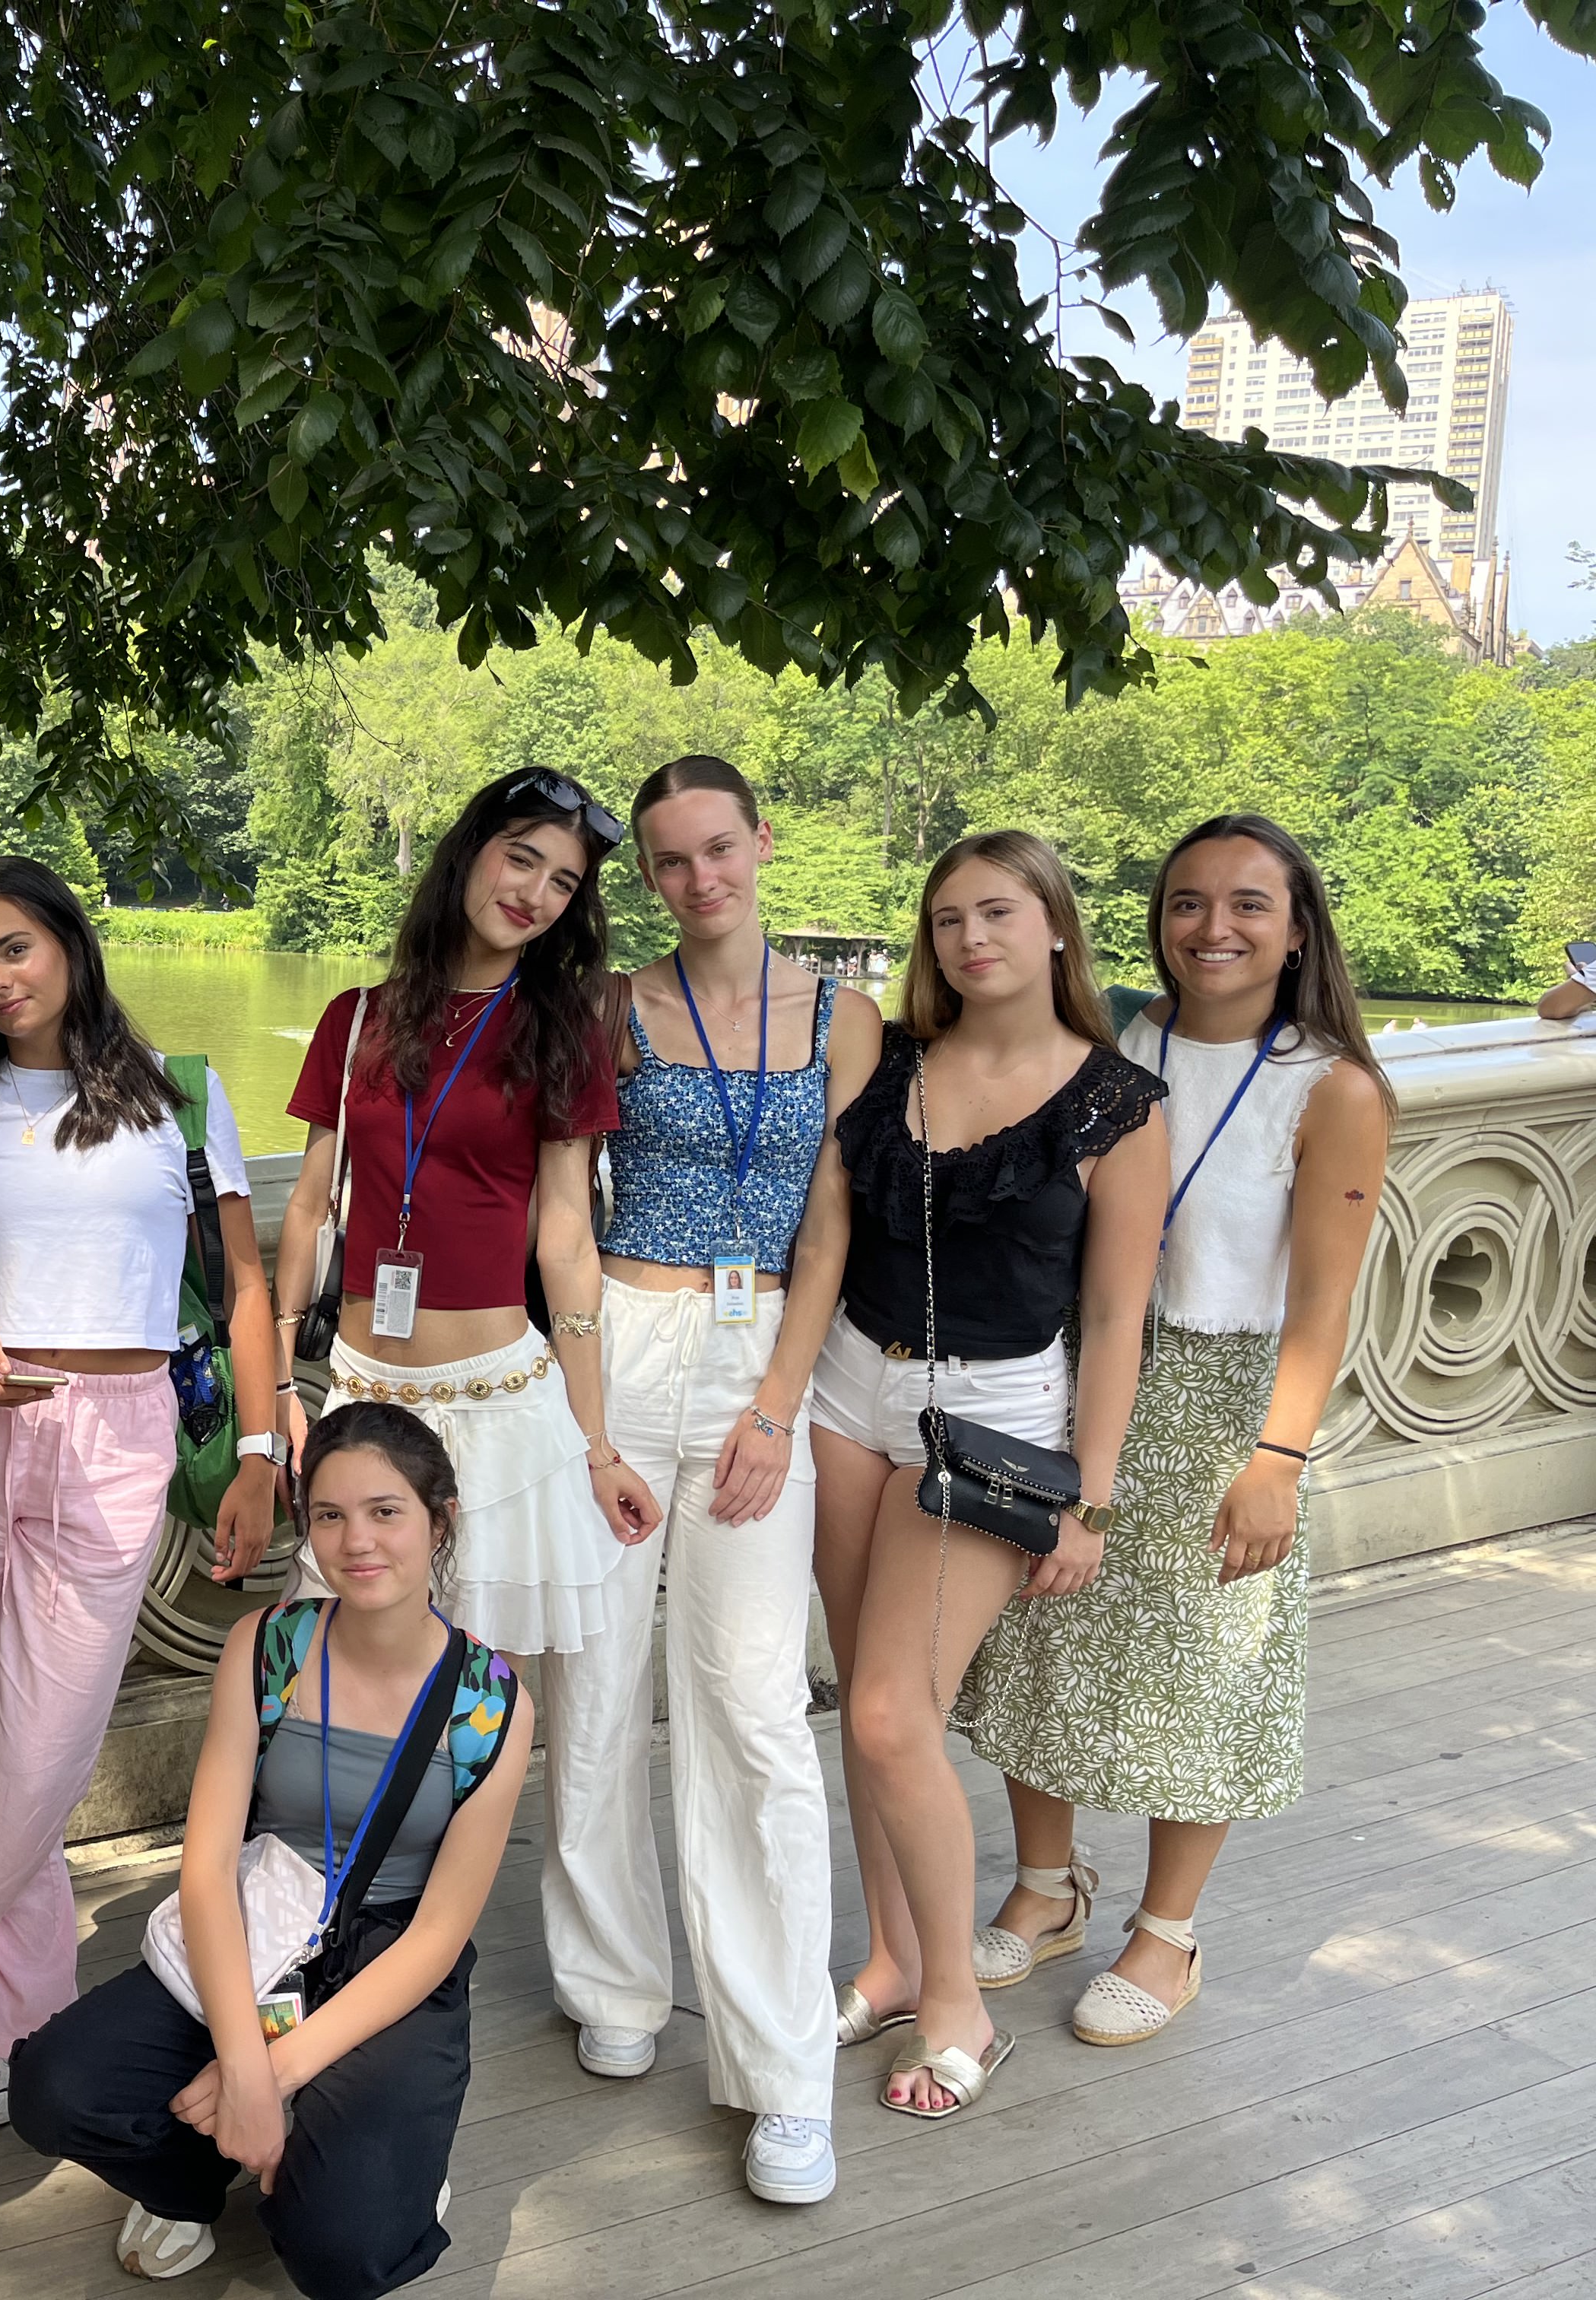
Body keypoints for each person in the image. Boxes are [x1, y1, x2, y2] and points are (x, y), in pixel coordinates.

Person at [0, 857, 287, 2130]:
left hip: (122, 1428)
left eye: (17, 946)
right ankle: (14, 2026)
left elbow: (244, 1288)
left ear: (71, 943)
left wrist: (259, 1449)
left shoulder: (183, 1098)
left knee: (43, 1742)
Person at [958, 816, 1391, 2046]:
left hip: (1221, 1397)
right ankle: (1046, 1885)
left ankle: (1168, 1924)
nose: (1213, 927)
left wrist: (1276, 1458)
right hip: (1083, 1364)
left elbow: (1321, 1301)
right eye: (1188, 900)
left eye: (1248, 904)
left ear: (1297, 926)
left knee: (1203, 1663)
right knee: (1038, 1626)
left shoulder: (1333, 1086)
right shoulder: (1117, 1040)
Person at [269, 765, 653, 2013]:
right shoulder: (358, 1018)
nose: (535, 891)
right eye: (519, 857)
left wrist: (593, 1437)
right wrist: (282, 1376)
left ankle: (452, 1972)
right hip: (368, 1394)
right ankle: (321, 1951)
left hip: (499, 1397)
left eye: (563, 879)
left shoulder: (562, 1030)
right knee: (342, 1694)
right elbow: (314, 1207)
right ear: (469, 852)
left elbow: (563, 1237)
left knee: (478, 1707)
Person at [549, 756, 880, 2203]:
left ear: (762, 841)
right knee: (598, 1677)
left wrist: (776, 1401)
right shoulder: (607, 1009)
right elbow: (565, 1212)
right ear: (645, 879)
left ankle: (779, 2064)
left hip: (762, 1357)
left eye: (717, 849)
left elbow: (830, 1223)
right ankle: (614, 1975)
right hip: (622, 1331)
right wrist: (590, 1418)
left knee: (752, 1706)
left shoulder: (844, 1017)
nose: (698, 880)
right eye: (667, 861)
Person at [7, 1403, 532, 2298]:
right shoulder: (269, 1649)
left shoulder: (492, 1702)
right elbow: (206, 1868)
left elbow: (440, 1935)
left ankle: (377, 2170)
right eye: (329, 1515)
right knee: (56, 2087)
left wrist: (266, 2072)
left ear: (438, 1519)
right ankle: (195, 2178)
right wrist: (244, 2067)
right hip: (263, 1920)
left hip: (390, 1958)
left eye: (386, 1511)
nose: (356, 1541)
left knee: (345, 2247)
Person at [817, 832, 1168, 2118]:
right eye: (948, 917)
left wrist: (1088, 1494)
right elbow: (828, 1222)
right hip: (849, 1392)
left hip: (993, 1416)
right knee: (862, 1698)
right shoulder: (893, 1060)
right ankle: (895, 1956)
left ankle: (958, 1997)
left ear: (1058, 928)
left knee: (890, 1713)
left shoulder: (1115, 1101)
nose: (971, 938)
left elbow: (1118, 1313)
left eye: (999, 913)